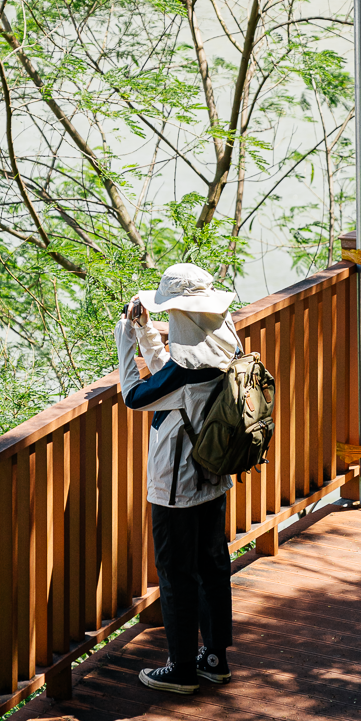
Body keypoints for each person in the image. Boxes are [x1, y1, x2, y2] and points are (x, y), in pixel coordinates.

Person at [114, 262, 241, 695]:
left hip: (176, 485)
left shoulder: (186, 368)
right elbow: (173, 377)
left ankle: (182, 667)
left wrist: (125, 339)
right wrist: (147, 333)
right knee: (212, 566)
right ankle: (214, 659)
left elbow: (136, 396)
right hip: (214, 472)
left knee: (175, 573)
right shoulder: (227, 346)